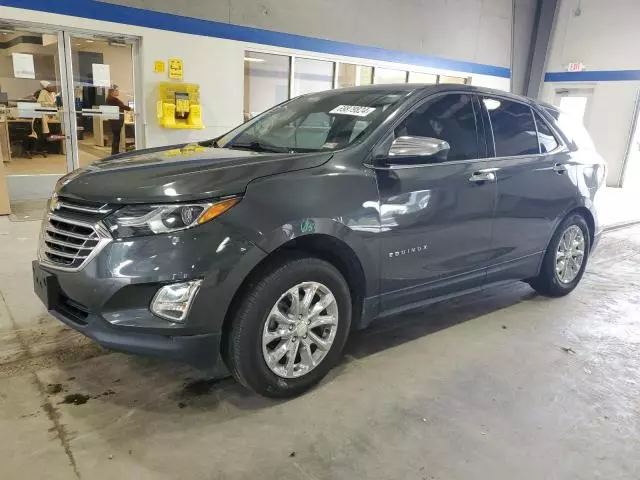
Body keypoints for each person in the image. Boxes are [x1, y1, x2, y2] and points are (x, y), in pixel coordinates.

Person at [105, 85, 132, 155]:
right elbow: (122, 106)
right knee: (116, 137)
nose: (118, 91)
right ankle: (114, 153)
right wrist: (131, 108)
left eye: (117, 90)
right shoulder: (113, 100)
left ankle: (115, 152)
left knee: (116, 137)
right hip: (116, 121)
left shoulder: (110, 99)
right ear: (112, 92)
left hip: (115, 120)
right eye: (116, 90)